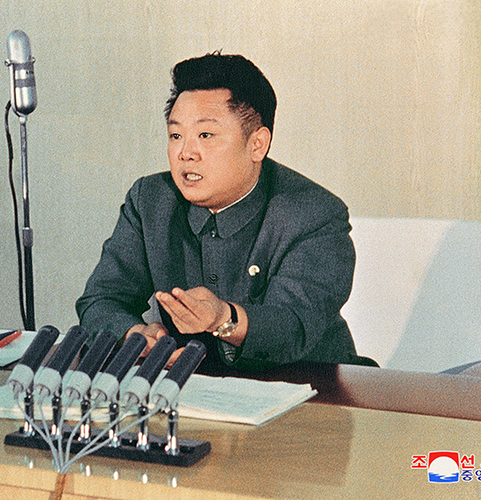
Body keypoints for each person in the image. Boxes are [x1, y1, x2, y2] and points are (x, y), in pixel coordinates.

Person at [76, 52, 359, 375]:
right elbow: (101, 299)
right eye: (176, 135)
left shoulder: (313, 213)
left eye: (205, 135)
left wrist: (224, 318)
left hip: (310, 386)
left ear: (257, 144)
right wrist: (136, 335)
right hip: (192, 385)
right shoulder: (151, 200)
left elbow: (292, 326)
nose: (186, 153)